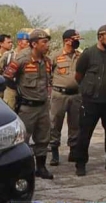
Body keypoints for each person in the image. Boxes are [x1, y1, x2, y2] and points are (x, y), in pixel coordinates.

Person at [73, 25, 106, 176]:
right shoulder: (89, 54)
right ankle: (81, 163)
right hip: (91, 100)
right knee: (85, 133)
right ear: (100, 36)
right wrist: (88, 89)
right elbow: (78, 76)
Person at [3, 29, 55, 179]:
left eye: (47, 42)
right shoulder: (21, 59)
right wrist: (18, 93)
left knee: (43, 138)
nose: (47, 45)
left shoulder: (47, 61)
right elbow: (7, 77)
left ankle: (41, 167)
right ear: (34, 44)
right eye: (44, 42)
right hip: (27, 107)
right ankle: (21, 170)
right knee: (23, 140)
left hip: (43, 106)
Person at [48, 30, 83, 166]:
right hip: (59, 95)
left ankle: (73, 151)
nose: (77, 41)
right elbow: (47, 72)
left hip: (76, 95)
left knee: (75, 124)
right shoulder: (55, 56)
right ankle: (55, 152)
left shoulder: (80, 56)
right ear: (67, 41)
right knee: (55, 123)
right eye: (75, 39)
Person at [1, 31, 30, 110]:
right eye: (27, 42)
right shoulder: (9, 55)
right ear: (20, 42)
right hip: (10, 89)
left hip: (25, 91)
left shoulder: (29, 57)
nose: (28, 44)